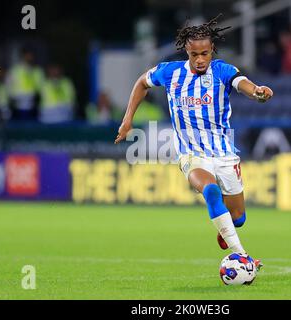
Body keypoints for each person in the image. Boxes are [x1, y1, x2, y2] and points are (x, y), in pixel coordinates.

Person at [114, 15, 273, 269]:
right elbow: (141, 83)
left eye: (205, 54)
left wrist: (257, 92)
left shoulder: (222, 70)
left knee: (238, 218)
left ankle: (225, 229)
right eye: (194, 54)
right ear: (186, 51)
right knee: (210, 191)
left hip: (224, 153)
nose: (200, 59)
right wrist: (127, 119)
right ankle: (243, 256)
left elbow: (242, 83)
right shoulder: (170, 72)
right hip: (191, 155)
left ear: (212, 51)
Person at [7, 47, 44, 120]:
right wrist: (12, 100)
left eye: (31, 55)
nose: (30, 57)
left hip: (33, 107)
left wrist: (37, 99)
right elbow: (8, 87)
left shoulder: (38, 71)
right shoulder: (14, 70)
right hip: (18, 107)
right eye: (28, 55)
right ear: (23, 56)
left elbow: (41, 89)